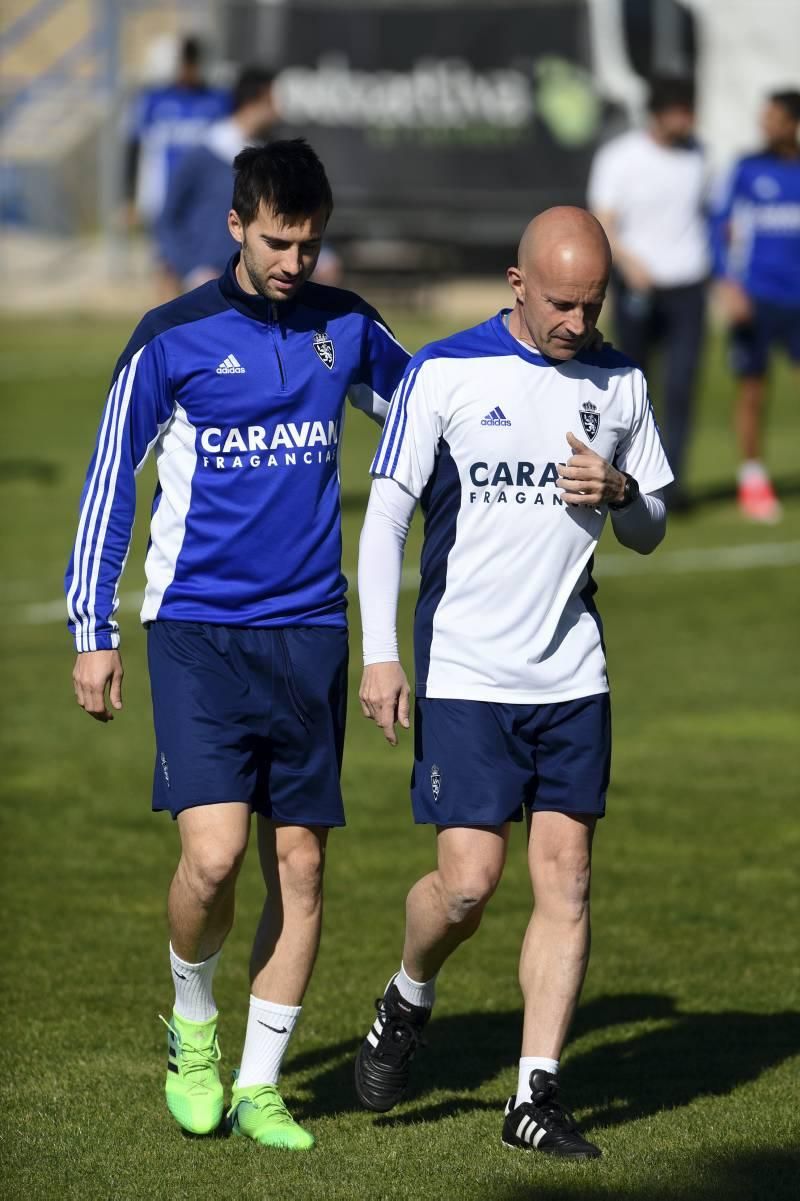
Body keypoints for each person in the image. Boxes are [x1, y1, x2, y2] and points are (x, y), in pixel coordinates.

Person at [65, 140, 409, 1150]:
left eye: (309, 243)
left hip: (309, 633)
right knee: (212, 861)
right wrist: (94, 631)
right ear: (234, 226)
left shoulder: (344, 327)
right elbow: (105, 485)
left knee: (299, 868)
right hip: (198, 633)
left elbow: (427, 422)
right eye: (277, 241)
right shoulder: (169, 339)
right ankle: (194, 1027)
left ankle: (260, 1084)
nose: (296, 261)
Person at [354, 207, 673, 1161]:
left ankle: (535, 1093)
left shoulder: (619, 380)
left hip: (573, 669)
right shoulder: (444, 373)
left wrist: (622, 493)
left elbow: (653, 521)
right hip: (466, 670)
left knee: (567, 882)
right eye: (562, 304)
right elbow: (385, 520)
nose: (579, 322)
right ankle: (407, 995)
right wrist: (381, 653)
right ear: (516, 283)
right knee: (466, 887)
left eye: (594, 303)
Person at [588, 75, 709, 502]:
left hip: (689, 287)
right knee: (632, 384)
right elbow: (603, 219)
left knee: (682, 384)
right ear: (659, 114)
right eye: (680, 112)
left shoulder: (699, 155)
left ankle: (671, 486)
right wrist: (630, 263)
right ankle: (628, 477)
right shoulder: (620, 158)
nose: (688, 121)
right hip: (639, 284)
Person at [710, 89, 800, 523]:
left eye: (774, 118)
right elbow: (718, 225)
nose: (765, 125)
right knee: (752, 392)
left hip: (798, 300)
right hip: (757, 299)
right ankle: (753, 481)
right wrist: (728, 282)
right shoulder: (747, 169)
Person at [124, 35, 231, 298]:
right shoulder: (154, 101)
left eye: (194, 62)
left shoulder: (218, 101)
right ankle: (164, 329)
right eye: (185, 62)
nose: (189, 69)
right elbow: (133, 148)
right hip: (165, 200)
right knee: (167, 264)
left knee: (204, 270)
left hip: (204, 202)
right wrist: (128, 198)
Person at [157, 67, 279, 291]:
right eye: (274, 101)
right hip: (210, 282)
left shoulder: (271, 157)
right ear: (257, 100)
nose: (279, 111)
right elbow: (167, 219)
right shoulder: (204, 153)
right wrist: (191, 269)